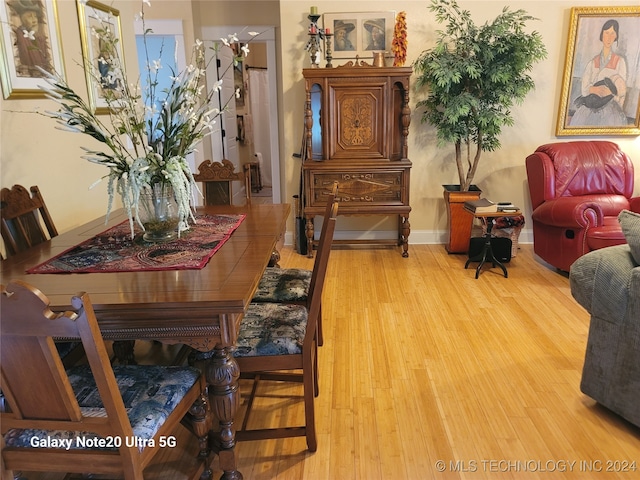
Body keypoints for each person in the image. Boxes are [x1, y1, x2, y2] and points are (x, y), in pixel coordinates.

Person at [570, 19, 628, 127]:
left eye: (612, 33)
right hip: (590, 105)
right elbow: (584, 89)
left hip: (610, 108)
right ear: (602, 35)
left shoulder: (620, 62)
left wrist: (610, 94)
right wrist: (593, 89)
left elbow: (621, 92)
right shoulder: (592, 63)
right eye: (606, 33)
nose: (609, 37)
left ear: (616, 36)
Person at [7, 0, 52, 77]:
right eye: (29, 16)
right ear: (22, 19)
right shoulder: (20, 34)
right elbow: (24, 55)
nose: (34, 20)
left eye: (35, 16)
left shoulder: (38, 36)